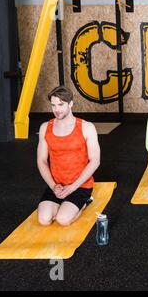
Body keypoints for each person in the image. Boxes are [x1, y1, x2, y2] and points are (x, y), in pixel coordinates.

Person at [37, 86, 100, 226]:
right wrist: (53, 186)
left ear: (70, 103)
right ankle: (63, 204)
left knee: (63, 220)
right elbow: (41, 160)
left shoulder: (86, 127)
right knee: (44, 220)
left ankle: (85, 201)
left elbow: (95, 161)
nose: (56, 109)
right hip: (57, 185)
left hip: (80, 186)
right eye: (53, 105)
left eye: (61, 104)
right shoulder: (45, 128)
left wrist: (72, 187)